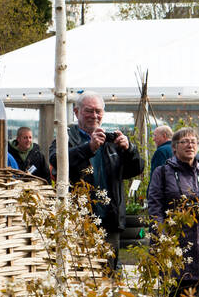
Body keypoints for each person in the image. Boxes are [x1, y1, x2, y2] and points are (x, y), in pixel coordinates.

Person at [48, 92, 143, 270]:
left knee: (108, 272)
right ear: (76, 112)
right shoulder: (65, 137)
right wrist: (88, 148)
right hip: (78, 220)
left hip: (110, 221)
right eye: (88, 111)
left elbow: (136, 169)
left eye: (98, 111)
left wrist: (130, 149)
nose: (94, 116)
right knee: (80, 271)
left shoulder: (111, 140)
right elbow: (56, 160)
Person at [146, 127, 199, 297]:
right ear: (174, 147)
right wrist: (163, 239)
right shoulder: (163, 173)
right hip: (173, 245)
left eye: (193, 141)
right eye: (184, 141)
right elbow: (154, 208)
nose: (190, 145)